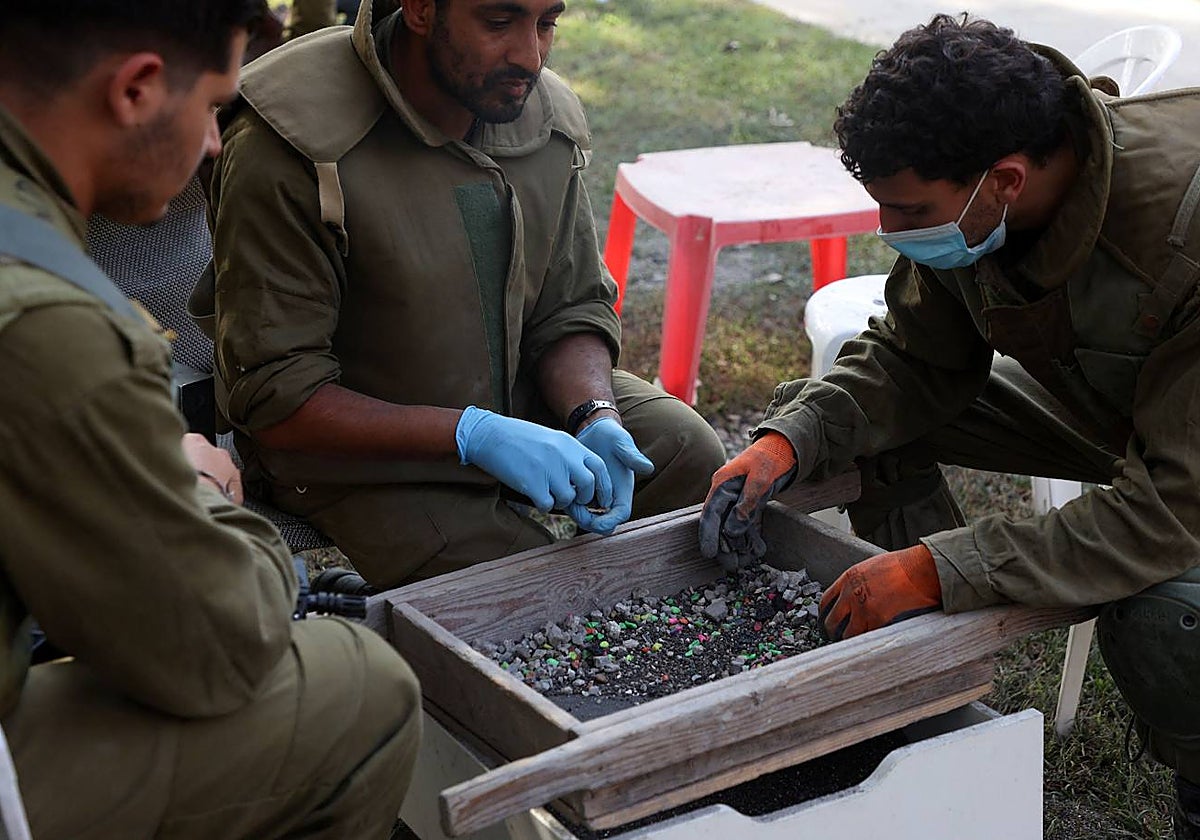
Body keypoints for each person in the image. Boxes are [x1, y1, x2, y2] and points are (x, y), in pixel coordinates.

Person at [699, 14, 1200, 837]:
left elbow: (1170, 513)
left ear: (1003, 179)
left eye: (908, 209)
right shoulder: (984, 198)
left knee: (1170, 614)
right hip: (1137, 423)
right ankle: (937, 686)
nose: (892, 233)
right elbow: (911, 360)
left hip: (1185, 476)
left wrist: (941, 569)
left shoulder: (1185, 231)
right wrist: (788, 438)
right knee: (856, 424)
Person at [0, 3, 420, 838]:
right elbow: (210, 653)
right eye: (213, 107)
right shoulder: (49, 324)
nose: (216, 144)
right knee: (359, 692)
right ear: (138, 89)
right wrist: (207, 492)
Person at [199, 0, 726, 589]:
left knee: (687, 456)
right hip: (365, 455)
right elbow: (277, 397)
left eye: (547, 23)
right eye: (499, 23)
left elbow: (570, 305)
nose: (530, 56)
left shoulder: (540, 114)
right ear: (422, 9)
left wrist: (591, 412)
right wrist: (470, 434)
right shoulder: (292, 140)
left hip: (517, 397)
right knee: (525, 592)